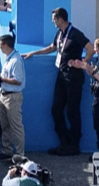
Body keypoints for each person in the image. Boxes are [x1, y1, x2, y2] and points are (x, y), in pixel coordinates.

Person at [24, 9, 93, 155]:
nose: (52, 22)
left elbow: (90, 48)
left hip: (73, 77)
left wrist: (82, 62)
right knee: (56, 109)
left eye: (54, 19)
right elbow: (52, 47)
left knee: (72, 111)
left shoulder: (75, 33)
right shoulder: (60, 34)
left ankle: (74, 144)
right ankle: (64, 140)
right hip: (61, 75)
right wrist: (34, 53)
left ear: (61, 19)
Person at [72, 39, 99, 154]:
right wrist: (86, 68)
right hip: (98, 95)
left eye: (96, 47)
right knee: (97, 124)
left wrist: (92, 72)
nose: (94, 50)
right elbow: (95, 75)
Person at [0, 34, 25, 159]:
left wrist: (0, 78)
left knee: (16, 127)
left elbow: (17, 80)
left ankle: (20, 155)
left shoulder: (16, 61)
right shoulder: (9, 58)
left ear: (6, 45)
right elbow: (7, 76)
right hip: (4, 96)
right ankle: (6, 151)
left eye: (0, 44)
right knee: (5, 126)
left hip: (12, 97)